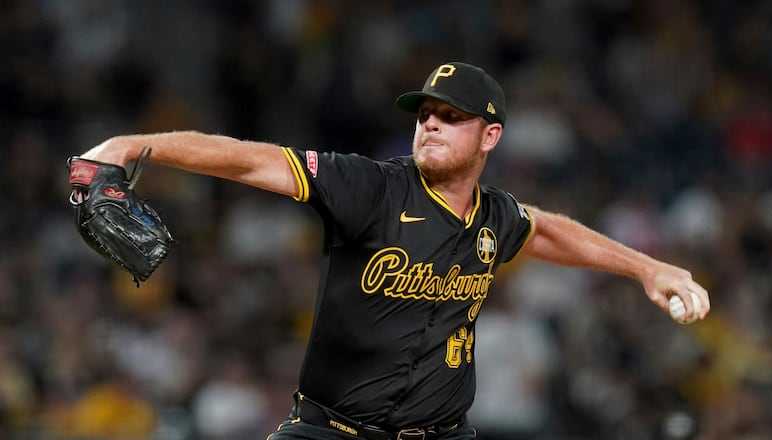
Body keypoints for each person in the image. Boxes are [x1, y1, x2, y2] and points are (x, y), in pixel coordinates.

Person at [76, 62, 710, 440]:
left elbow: (542, 228)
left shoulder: (495, 217)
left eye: (449, 115)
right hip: (333, 431)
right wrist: (129, 145)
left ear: (490, 135)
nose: (429, 123)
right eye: (424, 113)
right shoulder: (370, 187)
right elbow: (251, 160)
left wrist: (646, 267)